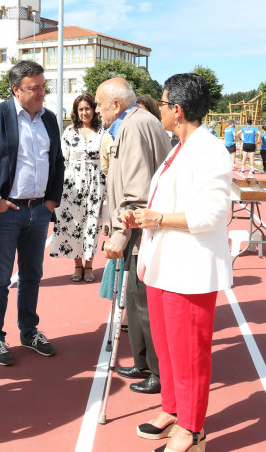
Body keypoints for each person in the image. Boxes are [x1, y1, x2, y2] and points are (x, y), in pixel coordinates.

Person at [122, 73, 233, 452]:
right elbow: (166, 202)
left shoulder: (210, 150)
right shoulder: (177, 147)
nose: (160, 109)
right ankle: (172, 409)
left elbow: (213, 214)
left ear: (178, 110)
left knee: (189, 353)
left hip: (190, 271)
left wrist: (157, 219)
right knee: (167, 349)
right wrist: (142, 215)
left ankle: (192, 428)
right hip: (162, 266)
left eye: (164, 103)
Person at [0, 60, 65, 366]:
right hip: (6, 211)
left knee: (33, 275)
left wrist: (51, 202)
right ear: (16, 89)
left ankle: (29, 331)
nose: (41, 93)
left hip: (39, 211)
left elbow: (58, 162)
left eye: (43, 86)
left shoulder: (48, 119)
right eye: (34, 88)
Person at [96, 77, 171, 394]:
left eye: (100, 104)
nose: (98, 111)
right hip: (138, 231)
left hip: (140, 233)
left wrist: (120, 236)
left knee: (143, 304)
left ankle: (157, 370)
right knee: (136, 300)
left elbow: (137, 192)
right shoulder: (136, 122)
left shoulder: (135, 125)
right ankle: (143, 362)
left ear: (115, 104)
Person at [50, 93, 106, 283]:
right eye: (80, 109)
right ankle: (77, 265)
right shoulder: (69, 132)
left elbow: (107, 161)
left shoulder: (103, 132)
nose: (84, 112)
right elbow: (62, 160)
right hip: (72, 184)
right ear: (76, 111)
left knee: (92, 223)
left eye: (87, 108)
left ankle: (89, 264)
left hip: (95, 183)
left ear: (93, 109)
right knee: (73, 224)